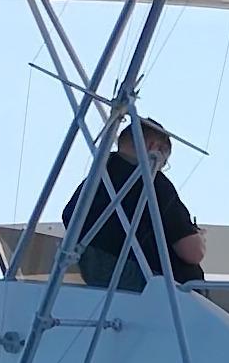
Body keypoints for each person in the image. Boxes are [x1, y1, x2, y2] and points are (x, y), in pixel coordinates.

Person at [63, 120, 206, 292]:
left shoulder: (94, 181)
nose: (161, 167)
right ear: (154, 147)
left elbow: (69, 218)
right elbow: (192, 253)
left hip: (102, 283)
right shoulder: (153, 182)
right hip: (158, 292)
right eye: (164, 162)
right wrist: (198, 238)